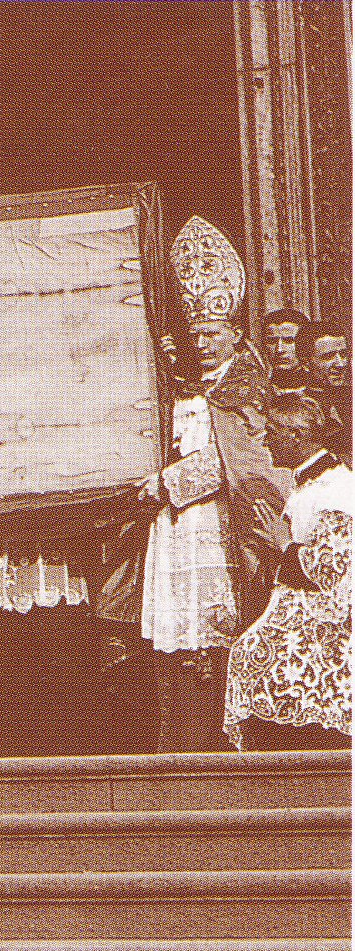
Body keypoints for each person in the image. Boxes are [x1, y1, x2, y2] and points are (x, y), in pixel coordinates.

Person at [139, 217, 290, 753]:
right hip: (173, 528)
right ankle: (180, 743)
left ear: (234, 334)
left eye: (212, 333)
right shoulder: (183, 387)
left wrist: (167, 483)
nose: (201, 343)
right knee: (178, 636)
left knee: (219, 626)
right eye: (195, 334)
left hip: (220, 526)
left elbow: (236, 460)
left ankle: (227, 741)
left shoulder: (247, 386)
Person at [223, 392, 351, 750]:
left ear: (296, 435)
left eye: (272, 431)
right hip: (305, 606)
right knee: (247, 653)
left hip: (333, 619)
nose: (265, 440)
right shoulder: (309, 485)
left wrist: (284, 546)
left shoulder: (337, 489)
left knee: (252, 655)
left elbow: (332, 570)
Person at [296, 319, 350, 459]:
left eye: (343, 355)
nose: (340, 364)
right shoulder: (295, 409)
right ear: (305, 362)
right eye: (328, 357)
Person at [260, 309, 311, 393]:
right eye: (271, 341)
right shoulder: (258, 390)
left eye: (289, 341)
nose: (279, 349)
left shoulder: (320, 388)